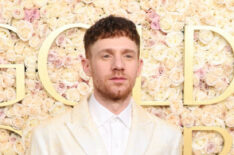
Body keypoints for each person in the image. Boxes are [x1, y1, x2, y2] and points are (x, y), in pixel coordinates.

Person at [28, 15, 182, 155]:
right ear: (87, 66)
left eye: (128, 56)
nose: (118, 65)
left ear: (139, 66)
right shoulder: (47, 136)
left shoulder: (168, 137)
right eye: (106, 56)